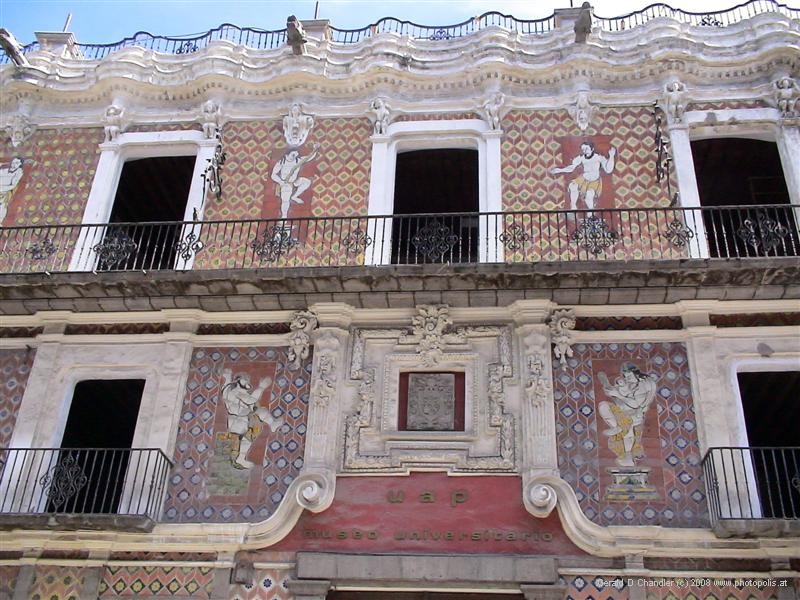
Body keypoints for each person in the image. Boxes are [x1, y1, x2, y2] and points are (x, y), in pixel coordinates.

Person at [597, 363, 656, 467]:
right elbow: (618, 399)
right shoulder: (624, 384)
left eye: (629, 376)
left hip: (635, 414)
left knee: (628, 433)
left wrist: (618, 395)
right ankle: (616, 427)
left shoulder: (644, 386)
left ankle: (628, 458)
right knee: (603, 406)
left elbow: (635, 404)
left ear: (636, 374)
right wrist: (612, 392)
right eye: (625, 377)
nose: (627, 379)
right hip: (622, 412)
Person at [220, 369, 282, 469]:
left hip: (240, 420)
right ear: (238, 381)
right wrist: (262, 387)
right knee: (261, 412)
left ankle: (240, 458)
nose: (247, 382)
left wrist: (227, 377)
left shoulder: (229, 390)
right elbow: (250, 400)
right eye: (245, 380)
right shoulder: (236, 391)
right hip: (239, 420)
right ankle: (273, 424)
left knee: (246, 440)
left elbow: (225, 386)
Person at [550, 141, 616, 213]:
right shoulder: (581, 158)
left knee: (589, 195)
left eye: (587, 149)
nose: (585, 151)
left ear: (592, 149)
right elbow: (571, 167)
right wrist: (559, 170)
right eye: (583, 149)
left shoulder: (599, 157)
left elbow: (608, 170)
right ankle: (573, 207)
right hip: (583, 179)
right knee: (572, 185)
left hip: (594, 182)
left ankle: (591, 214)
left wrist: (611, 156)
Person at [270, 144, 319, 219]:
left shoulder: (298, 160)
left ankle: (295, 196)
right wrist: (281, 182)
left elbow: (309, 158)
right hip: (285, 183)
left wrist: (315, 149)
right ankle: (284, 217)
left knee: (306, 182)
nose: (295, 156)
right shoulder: (282, 162)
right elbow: (273, 175)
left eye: (296, 154)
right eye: (293, 154)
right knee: (285, 200)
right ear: (287, 154)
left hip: (294, 181)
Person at [0, 156, 24, 224]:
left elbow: (13, 185)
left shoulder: (19, 172)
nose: (13, 165)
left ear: (19, 165)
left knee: (3, 205)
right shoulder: (3, 171)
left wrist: (2, 189)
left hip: (4, 192)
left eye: (16, 163)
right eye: (13, 163)